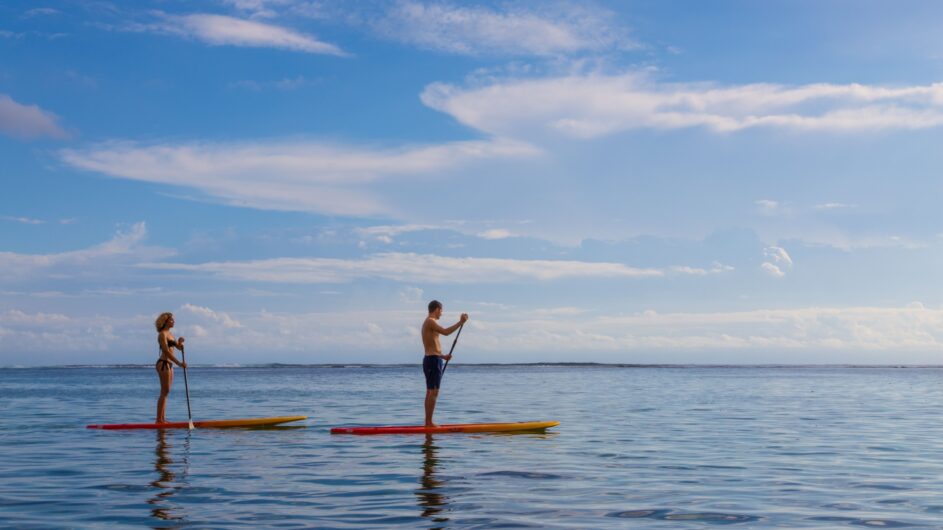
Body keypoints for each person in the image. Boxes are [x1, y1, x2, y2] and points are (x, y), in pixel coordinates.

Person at [421, 300, 468, 427]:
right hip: (432, 361)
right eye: (441, 310)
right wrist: (461, 322)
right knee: (433, 392)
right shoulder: (430, 321)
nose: (441, 313)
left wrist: (442, 356)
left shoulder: (428, 323)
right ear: (436, 309)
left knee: (430, 391)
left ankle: (427, 422)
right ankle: (429, 422)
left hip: (433, 359)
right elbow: (446, 332)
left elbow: (431, 346)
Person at [154, 312, 186, 424]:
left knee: (166, 392)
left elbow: (178, 348)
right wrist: (179, 363)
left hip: (169, 364)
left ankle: (162, 419)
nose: (174, 321)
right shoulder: (162, 334)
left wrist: (180, 342)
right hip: (163, 363)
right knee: (164, 392)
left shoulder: (171, 335)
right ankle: (159, 420)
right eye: (171, 320)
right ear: (165, 321)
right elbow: (166, 352)